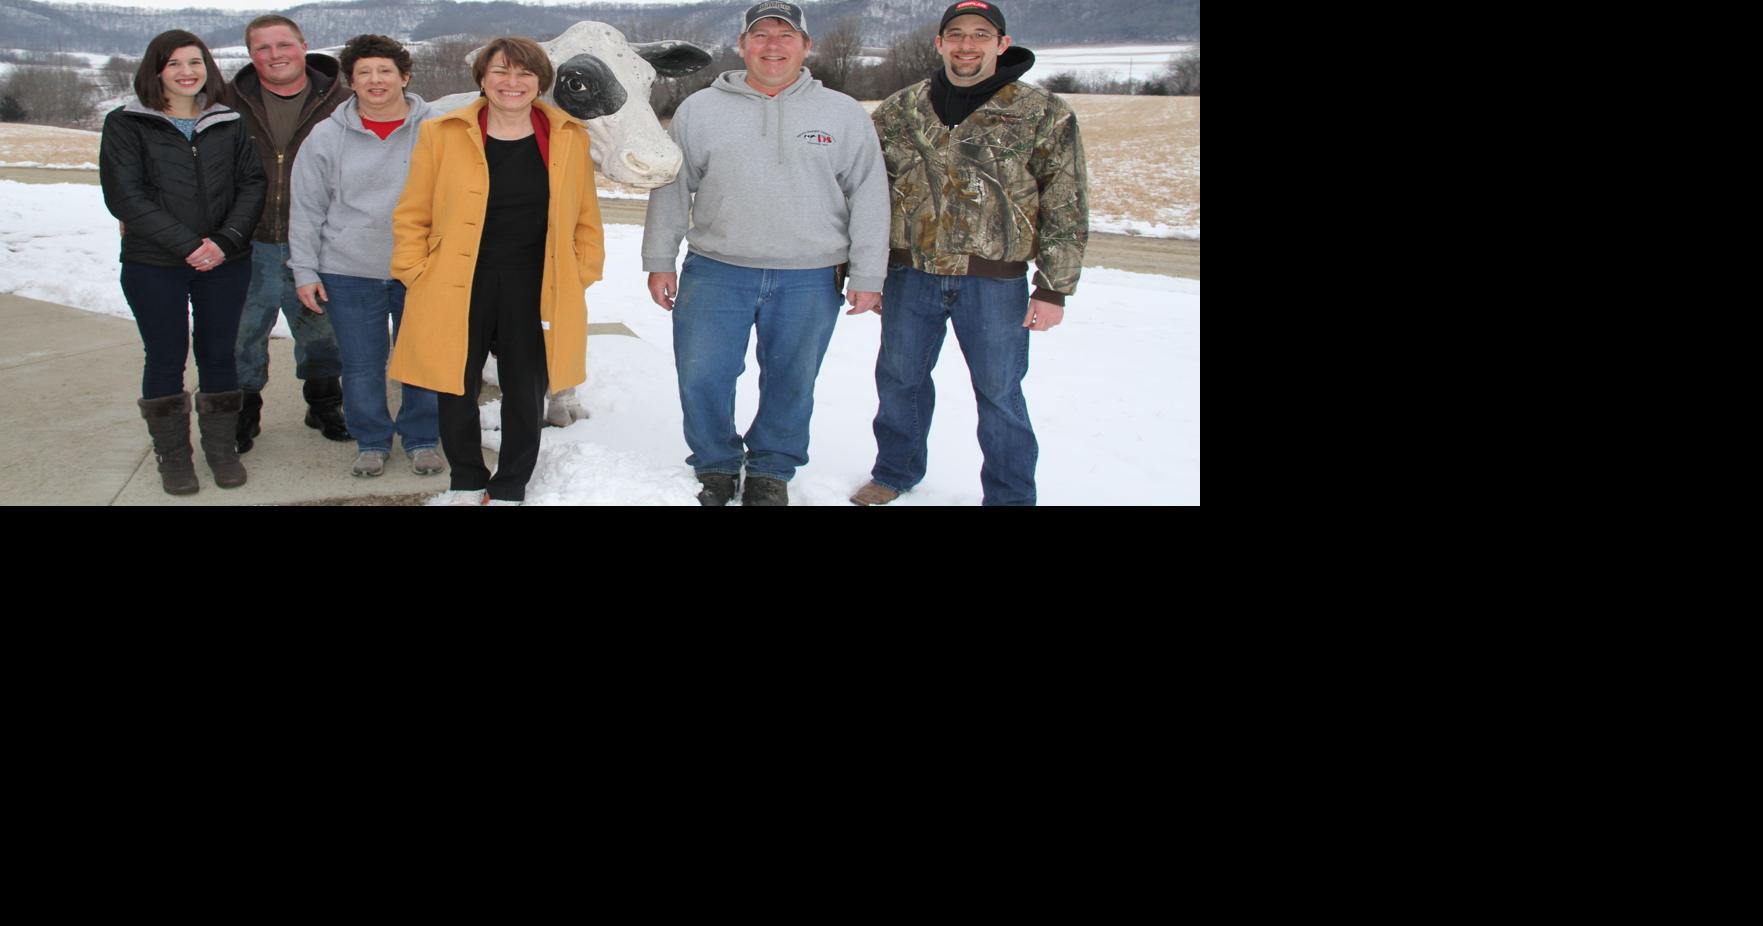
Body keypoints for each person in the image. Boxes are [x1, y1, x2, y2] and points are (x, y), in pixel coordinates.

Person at [642, 0, 888, 506]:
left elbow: (869, 193)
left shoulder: (841, 113)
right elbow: (672, 187)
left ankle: (772, 471)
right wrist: (659, 260)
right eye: (761, 35)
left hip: (810, 275)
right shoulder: (699, 109)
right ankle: (715, 465)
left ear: (805, 46)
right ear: (741, 45)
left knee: (792, 380)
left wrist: (870, 272)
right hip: (717, 270)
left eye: (785, 35)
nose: (772, 45)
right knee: (702, 373)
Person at [851, 0, 1088, 507]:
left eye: (981, 34)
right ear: (939, 43)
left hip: (995, 283)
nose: (966, 44)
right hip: (909, 275)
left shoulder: (1042, 113)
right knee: (899, 381)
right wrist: (863, 268)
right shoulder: (899, 110)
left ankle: (1010, 495)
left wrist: (1053, 288)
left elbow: (1066, 202)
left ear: (1001, 44)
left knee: (1000, 395)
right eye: (956, 33)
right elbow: (866, 196)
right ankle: (894, 472)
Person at [386, 36, 605, 506]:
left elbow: (586, 218)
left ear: (540, 82)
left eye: (525, 73)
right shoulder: (442, 133)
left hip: (535, 282)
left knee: (526, 388)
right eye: (501, 71)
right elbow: (412, 212)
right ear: (482, 79)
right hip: (456, 280)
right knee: (455, 384)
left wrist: (580, 272)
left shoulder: (568, 136)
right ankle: (466, 477)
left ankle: (509, 485)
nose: (513, 82)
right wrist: (414, 269)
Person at [100, 30, 265, 496]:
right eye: (174, 64)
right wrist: (189, 245)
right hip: (154, 263)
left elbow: (252, 184)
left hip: (225, 261)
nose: (186, 72)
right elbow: (125, 196)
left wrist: (225, 240)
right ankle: (174, 460)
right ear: (156, 71)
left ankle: (221, 452)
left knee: (219, 354)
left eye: (195, 62)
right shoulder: (126, 123)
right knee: (166, 356)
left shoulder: (228, 121)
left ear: (208, 68)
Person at [287, 34, 444, 479]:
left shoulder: (438, 127)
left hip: (420, 269)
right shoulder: (326, 136)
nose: (375, 80)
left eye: (385, 71)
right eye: (364, 73)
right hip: (348, 270)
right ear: (351, 82)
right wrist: (305, 269)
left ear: (404, 76)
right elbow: (306, 208)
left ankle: (422, 438)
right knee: (361, 365)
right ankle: (372, 440)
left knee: (422, 359)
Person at [224, 13, 352, 453]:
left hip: (319, 241)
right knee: (243, 331)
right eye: (262, 47)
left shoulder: (343, 102)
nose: (274, 55)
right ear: (250, 55)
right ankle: (244, 411)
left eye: (283, 45)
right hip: (247, 240)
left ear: (303, 46)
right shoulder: (226, 103)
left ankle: (324, 404)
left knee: (322, 331)